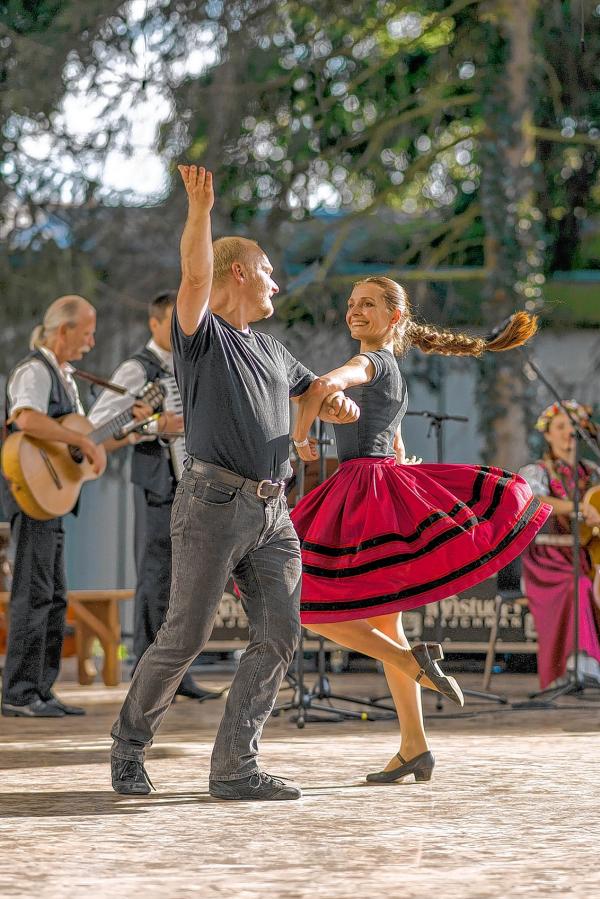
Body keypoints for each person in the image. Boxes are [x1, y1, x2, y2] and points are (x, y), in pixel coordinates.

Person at [110, 165, 361, 801]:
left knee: (278, 636)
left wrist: (339, 406)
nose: (278, 281)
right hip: (212, 502)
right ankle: (128, 746)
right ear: (242, 272)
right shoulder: (201, 336)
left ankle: (234, 769)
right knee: (186, 637)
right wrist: (200, 210)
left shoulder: (274, 351)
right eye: (270, 270)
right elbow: (195, 276)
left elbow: (314, 397)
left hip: (274, 515)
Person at [290, 276, 551, 783]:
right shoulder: (394, 372)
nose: (354, 311)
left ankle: (413, 666)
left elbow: (322, 385)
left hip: (360, 492)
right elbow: (395, 443)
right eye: (351, 304)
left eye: (367, 304)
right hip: (380, 487)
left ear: (393, 318)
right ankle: (414, 745)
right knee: (385, 621)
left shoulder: (372, 362)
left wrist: (302, 439)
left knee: (303, 603)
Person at [88, 291, 223, 702]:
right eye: (174, 322)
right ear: (154, 322)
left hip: (188, 484)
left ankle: (177, 675)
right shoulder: (137, 369)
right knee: (155, 578)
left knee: (184, 582)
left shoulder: (190, 363)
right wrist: (152, 427)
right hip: (156, 485)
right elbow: (97, 430)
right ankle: (146, 675)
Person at [1, 295, 104, 717]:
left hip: (54, 500)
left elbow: (76, 436)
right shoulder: (33, 371)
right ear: (63, 331)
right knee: (32, 592)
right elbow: (25, 419)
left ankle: (41, 689)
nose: (91, 342)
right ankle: (19, 693)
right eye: (86, 332)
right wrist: (80, 441)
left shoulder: (65, 377)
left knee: (56, 596)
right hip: (31, 495)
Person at [519, 401, 600, 689]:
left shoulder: (591, 471)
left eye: (573, 429)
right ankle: (578, 665)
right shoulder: (537, 471)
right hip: (547, 558)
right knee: (577, 586)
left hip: (584, 555)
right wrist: (577, 508)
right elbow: (535, 500)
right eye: (561, 427)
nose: (568, 434)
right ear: (548, 435)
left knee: (587, 582)